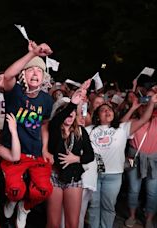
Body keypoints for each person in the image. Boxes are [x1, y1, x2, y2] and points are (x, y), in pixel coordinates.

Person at [1, 40, 54, 227]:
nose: (35, 73)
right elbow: (7, 75)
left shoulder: (47, 100)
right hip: (14, 153)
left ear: (43, 77)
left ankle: (24, 207)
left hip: (35, 153)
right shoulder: (15, 93)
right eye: (31, 70)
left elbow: (44, 125)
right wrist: (33, 54)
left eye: (39, 71)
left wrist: (45, 149)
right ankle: (13, 200)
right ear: (24, 75)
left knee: (44, 190)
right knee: (15, 189)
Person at [86, 92, 157, 228]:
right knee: (94, 207)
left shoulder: (123, 128)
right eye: (102, 110)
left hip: (113, 176)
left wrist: (152, 102)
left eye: (109, 109)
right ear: (97, 116)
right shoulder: (89, 130)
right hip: (93, 175)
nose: (107, 111)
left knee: (108, 207)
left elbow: (144, 119)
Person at [46, 82, 94, 228]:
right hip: (55, 177)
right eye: (66, 112)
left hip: (74, 178)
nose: (70, 115)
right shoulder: (54, 129)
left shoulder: (80, 131)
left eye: (72, 113)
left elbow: (90, 156)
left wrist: (76, 158)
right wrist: (72, 103)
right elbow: (57, 120)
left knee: (72, 224)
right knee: (53, 223)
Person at [121, 89, 157, 228]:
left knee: (152, 192)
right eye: (143, 106)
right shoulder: (132, 122)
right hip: (134, 159)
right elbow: (119, 126)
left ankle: (149, 218)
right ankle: (132, 215)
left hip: (153, 160)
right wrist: (133, 107)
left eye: (148, 106)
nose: (145, 108)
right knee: (133, 190)